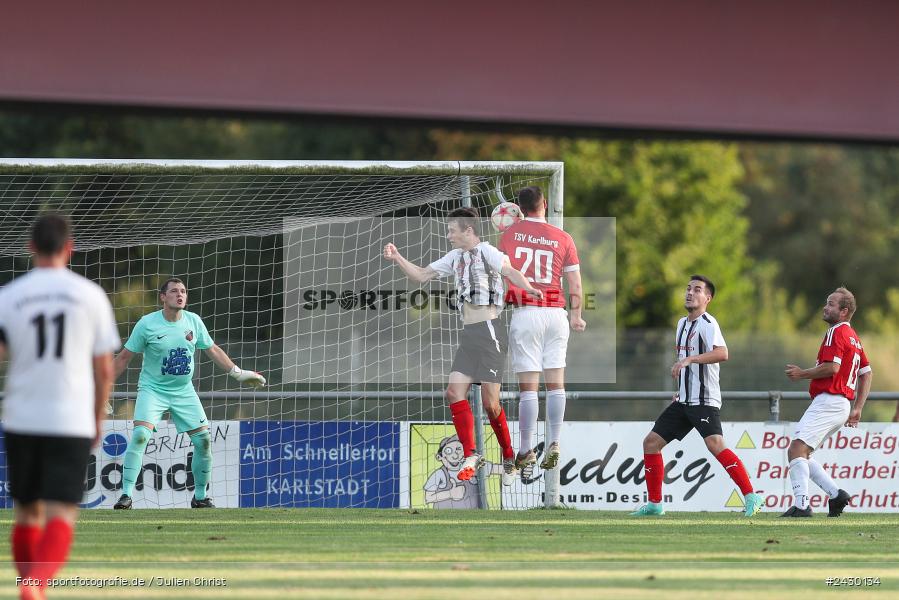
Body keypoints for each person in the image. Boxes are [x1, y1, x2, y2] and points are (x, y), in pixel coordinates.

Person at [0, 214, 119, 600]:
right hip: (70, 418)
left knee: (27, 513)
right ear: (70, 248)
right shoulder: (90, 295)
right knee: (61, 515)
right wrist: (97, 417)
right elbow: (104, 369)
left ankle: (28, 585)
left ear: (31, 248)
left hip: (21, 416)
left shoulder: (10, 296)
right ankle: (36, 584)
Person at [384, 207, 542, 483]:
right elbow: (421, 275)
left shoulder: (487, 251)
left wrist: (528, 287)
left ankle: (508, 457)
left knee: (490, 404)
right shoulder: (455, 257)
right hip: (469, 335)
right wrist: (397, 257)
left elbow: (508, 270)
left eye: (452, 230)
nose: (449, 235)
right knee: (453, 392)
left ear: (468, 231)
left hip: (491, 332)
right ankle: (472, 453)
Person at [112, 277, 266, 509]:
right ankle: (126, 495)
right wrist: (103, 387)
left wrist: (238, 373)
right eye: (174, 291)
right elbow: (124, 357)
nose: (180, 294)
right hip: (152, 391)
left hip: (184, 392)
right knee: (140, 436)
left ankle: (201, 497)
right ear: (163, 297)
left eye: (183, 291)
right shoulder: (147, 324)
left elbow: (212, 349)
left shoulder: (193, 321)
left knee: (203, 440)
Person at [630, 275, 763, 517]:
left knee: (715, 445)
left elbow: (722, 353)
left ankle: (751, 495)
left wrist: (691, 359)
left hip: (703, 401)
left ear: (707, 298)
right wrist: (680, 389)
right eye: (688, 288)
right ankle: (655, 505)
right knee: (650, 443)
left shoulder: (708, 323)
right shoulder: (682, 324)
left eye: (697, 290)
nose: (690, 293)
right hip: (683, 401)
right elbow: (685, 364)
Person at [498, 186, 585, 480]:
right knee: (556, 385)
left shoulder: (509, 235)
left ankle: (526, 450)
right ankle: (554, 442)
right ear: (545, 204)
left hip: (527, 313)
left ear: (520, 208)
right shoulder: (564, 237)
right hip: (556, 315)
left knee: (528, 389)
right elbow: (574, 283)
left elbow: (502, 273)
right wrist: (576, 316)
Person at [782, 287, 871, 517]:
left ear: (843, 311)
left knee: (796, 450)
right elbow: (866, 373)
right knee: (803, 453)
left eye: (831, 304)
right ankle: (836, 495)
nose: (825, 307)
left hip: (830, 400)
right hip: (840, 405)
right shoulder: (855, 338)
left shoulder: (836, 333)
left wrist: (802, 373)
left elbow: (832, 368)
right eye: (827, 302)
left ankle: (802, 506)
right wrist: (858, 408)